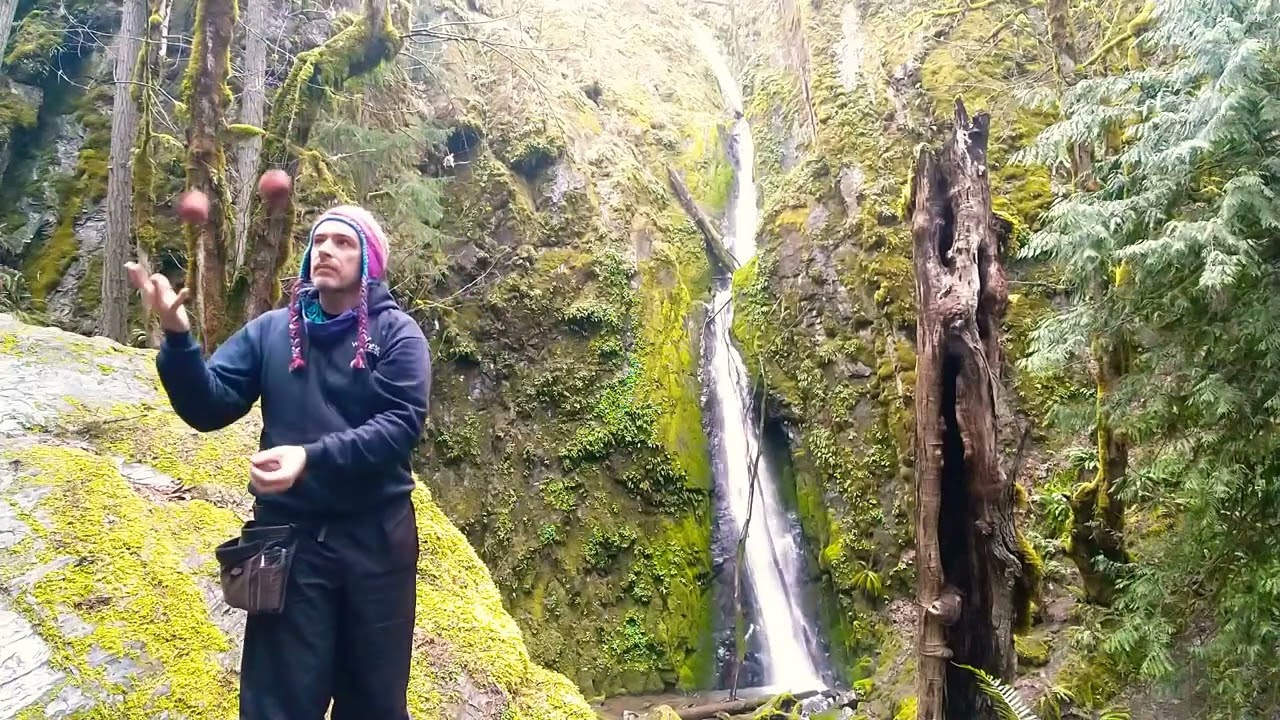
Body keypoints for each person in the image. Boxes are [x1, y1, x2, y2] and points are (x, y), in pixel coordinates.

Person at [126, 203, 431, 719]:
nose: (326, 250)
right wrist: (179, 338)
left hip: (377, 547)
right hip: (290, 545)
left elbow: (399, 428)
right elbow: (210, 404)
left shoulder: (399, 337)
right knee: (279, 704)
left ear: (370, 262)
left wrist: (308, 459)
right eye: (320, 241)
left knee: (374, 703)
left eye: (344, 242)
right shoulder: (271, 332)